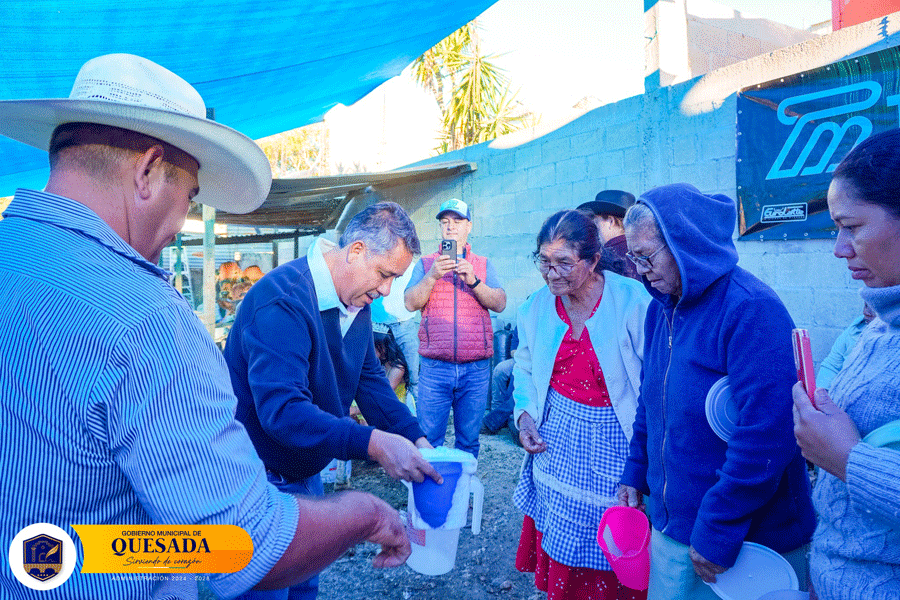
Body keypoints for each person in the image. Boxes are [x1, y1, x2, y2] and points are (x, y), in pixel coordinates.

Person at [0, 53, 409, 599]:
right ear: (147, 172)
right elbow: (239, 546)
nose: (181, 223)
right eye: (190, 197)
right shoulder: (146, 319)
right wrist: (365, 513)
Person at [223, 201, 441, 600]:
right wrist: (373, 443)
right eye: (385, 275)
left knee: (305, 588)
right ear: (356, 251)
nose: (386, 290)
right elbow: (283, 412)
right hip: (259, 480)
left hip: (305, 474)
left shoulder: (355, 302)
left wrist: (417, 439)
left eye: (395, 279)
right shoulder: (283, 300)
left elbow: (371, 384)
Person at [617, 183, 816, 600]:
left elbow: (767, 435)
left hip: (748, 542)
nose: (640, 270)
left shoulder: (751, 309)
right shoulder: (660, 309)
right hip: (677, 528)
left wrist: (718, 528)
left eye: (646, 256)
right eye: (633, 258)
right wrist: (637, 470)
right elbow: (651, 402)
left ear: (685, 244)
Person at [512, 210, 652, 600]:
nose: (551, 274)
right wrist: (525, 417)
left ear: (592, 261)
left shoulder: (632, 301)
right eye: (544, 261)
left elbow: (654, 381)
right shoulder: (536, 307)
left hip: (616, 440)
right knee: (562, 531)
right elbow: (524, 367)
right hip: (555, 440)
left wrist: (643, 459)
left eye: (563, 263)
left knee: (613, 532)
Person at [793, 128, 900, 599]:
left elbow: (849, 455)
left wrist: (848, 459)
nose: (839, 248)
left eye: (851, 227)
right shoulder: (881, 322)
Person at [405, 198, 507, 458]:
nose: (450, 227)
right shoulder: (426, 264)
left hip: (475, 369)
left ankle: (464, 484)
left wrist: (473, 280)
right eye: (445, 222)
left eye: (457, 221)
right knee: (429, 440)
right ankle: (431, 485)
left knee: (469, 441)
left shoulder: (482, 264)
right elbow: (410, 303)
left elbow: (500, 303)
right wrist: (432, 276)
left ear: (468, 226)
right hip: (435, 368)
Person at [370, 264, 420, 402]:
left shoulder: (412, 266)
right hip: (375, 324)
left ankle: (417, 412)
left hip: (403, 323)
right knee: (370, 369)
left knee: (414, 376)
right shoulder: (375, 260)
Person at [578, 189, 638, 279]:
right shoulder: (641, 250)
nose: (595, 228)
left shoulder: (604, 257)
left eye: (596, 222)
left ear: (610, 221)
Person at [816, 302, 875, 389]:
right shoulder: (856, 329)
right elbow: (832, 365)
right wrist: (821, 391)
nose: (865, 312)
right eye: (866, 305)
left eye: (874, 307)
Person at [481, 326, 519, 435]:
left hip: (538, 364)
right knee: (500, 369)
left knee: (516, 381)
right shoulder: (523, 322)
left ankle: (493, 421)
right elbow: (513, 351)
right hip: (521, 359)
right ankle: (496, 410)